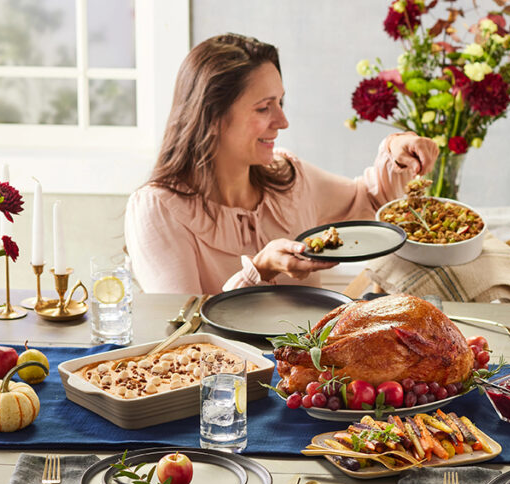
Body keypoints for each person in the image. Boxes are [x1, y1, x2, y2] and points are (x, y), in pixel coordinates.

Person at [125, 33, 437, 294]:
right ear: (213, 117)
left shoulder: (288, 177)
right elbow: (183, 333)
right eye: (263, 108)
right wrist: (259, 270)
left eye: (280, 102)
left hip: (312, 365)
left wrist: (398, 150)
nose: (283, 121)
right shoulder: (158, 209)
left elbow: (369, 202)